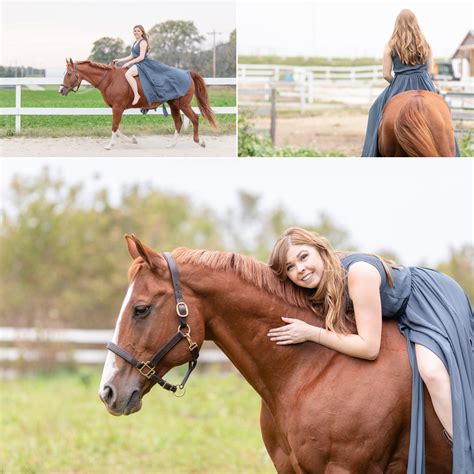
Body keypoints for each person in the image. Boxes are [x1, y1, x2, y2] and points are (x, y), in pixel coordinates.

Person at [267, 227, 473, 472]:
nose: (300, 269)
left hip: (432, 300)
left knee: (431, 371)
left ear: (320, 251)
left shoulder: (358, 274)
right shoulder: (320, 284)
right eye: (290, 267)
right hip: (404, 309)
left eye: (303, 257)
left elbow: (369, 347)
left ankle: (463, 450)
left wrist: (311, 333)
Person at [361, 9, 459, 157]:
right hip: (424, 82)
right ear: (415, 24)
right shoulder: (425, 44)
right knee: (444, 114)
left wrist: (396, 81)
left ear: (397, 24)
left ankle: (371, 155)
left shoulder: (390, 45)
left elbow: (386, 74)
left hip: (399, 83)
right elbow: (431, 71)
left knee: (375, 111)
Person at [113, 25, 191, 106]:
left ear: (142, 32)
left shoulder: (143, 42)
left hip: (143, 64)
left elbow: (141, 57)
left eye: (138, 31)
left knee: (128, 74)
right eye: (135, 30)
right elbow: (132, 55)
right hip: (138, 63)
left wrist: (129, 63)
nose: (136, 32)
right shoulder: (135, 42)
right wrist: (119, 60)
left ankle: (136, 95)